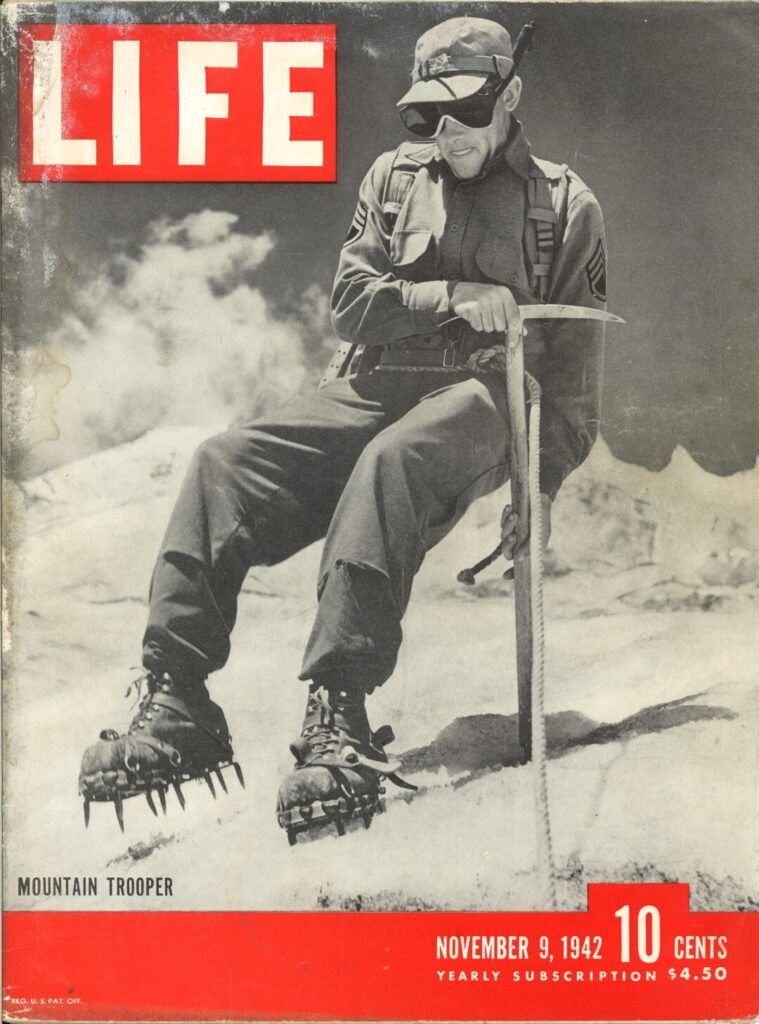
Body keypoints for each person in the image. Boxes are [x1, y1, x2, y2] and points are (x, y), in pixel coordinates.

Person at [79, 16, 607, 843]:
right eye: (425, 115)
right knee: (223, 464)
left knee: (392, 465)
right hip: (372, 383)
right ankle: (179, 700)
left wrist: (539, 486)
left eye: (465, 110)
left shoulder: (565, 206)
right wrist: (446, 296)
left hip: (487, 396)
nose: (447, 133)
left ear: (509, 95)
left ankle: (339, 713)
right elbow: (351, 300)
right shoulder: (393, 180)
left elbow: (573, 381)